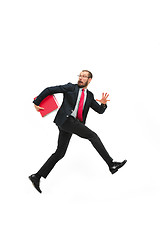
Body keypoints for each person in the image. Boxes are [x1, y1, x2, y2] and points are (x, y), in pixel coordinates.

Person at [29, 70, 127, 193]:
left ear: (89, 80)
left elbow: (99, 111)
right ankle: (111, 164)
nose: (81, 78)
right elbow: (50, 89)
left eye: (84, 76)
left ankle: (36, 176)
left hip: (71, 124)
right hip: (65, 120)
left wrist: (103, 105)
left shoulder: (89, 96)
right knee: (93, 136)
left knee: (60, 153)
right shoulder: (71, 87)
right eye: (80, 76)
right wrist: (36, 102)